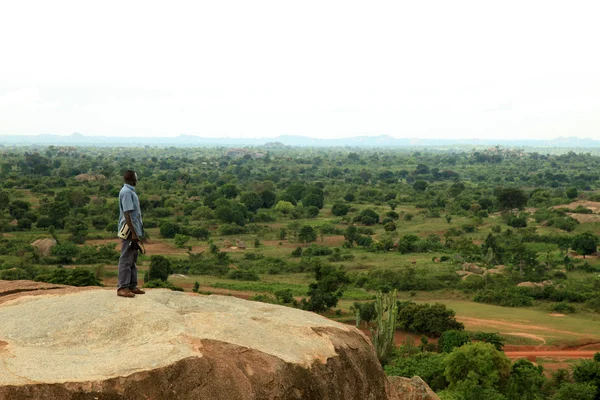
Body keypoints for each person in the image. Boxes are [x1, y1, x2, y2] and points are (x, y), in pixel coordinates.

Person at [117, 170, 145, 298]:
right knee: (125, 259)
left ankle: (132, 285)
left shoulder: (130, 191)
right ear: (133, 179)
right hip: (129, 230)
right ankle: (122, 287)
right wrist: (133, 233)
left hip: (134, 229)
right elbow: (127, 214)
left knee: (132, 258)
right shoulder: (127, 192)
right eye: (136, 177)